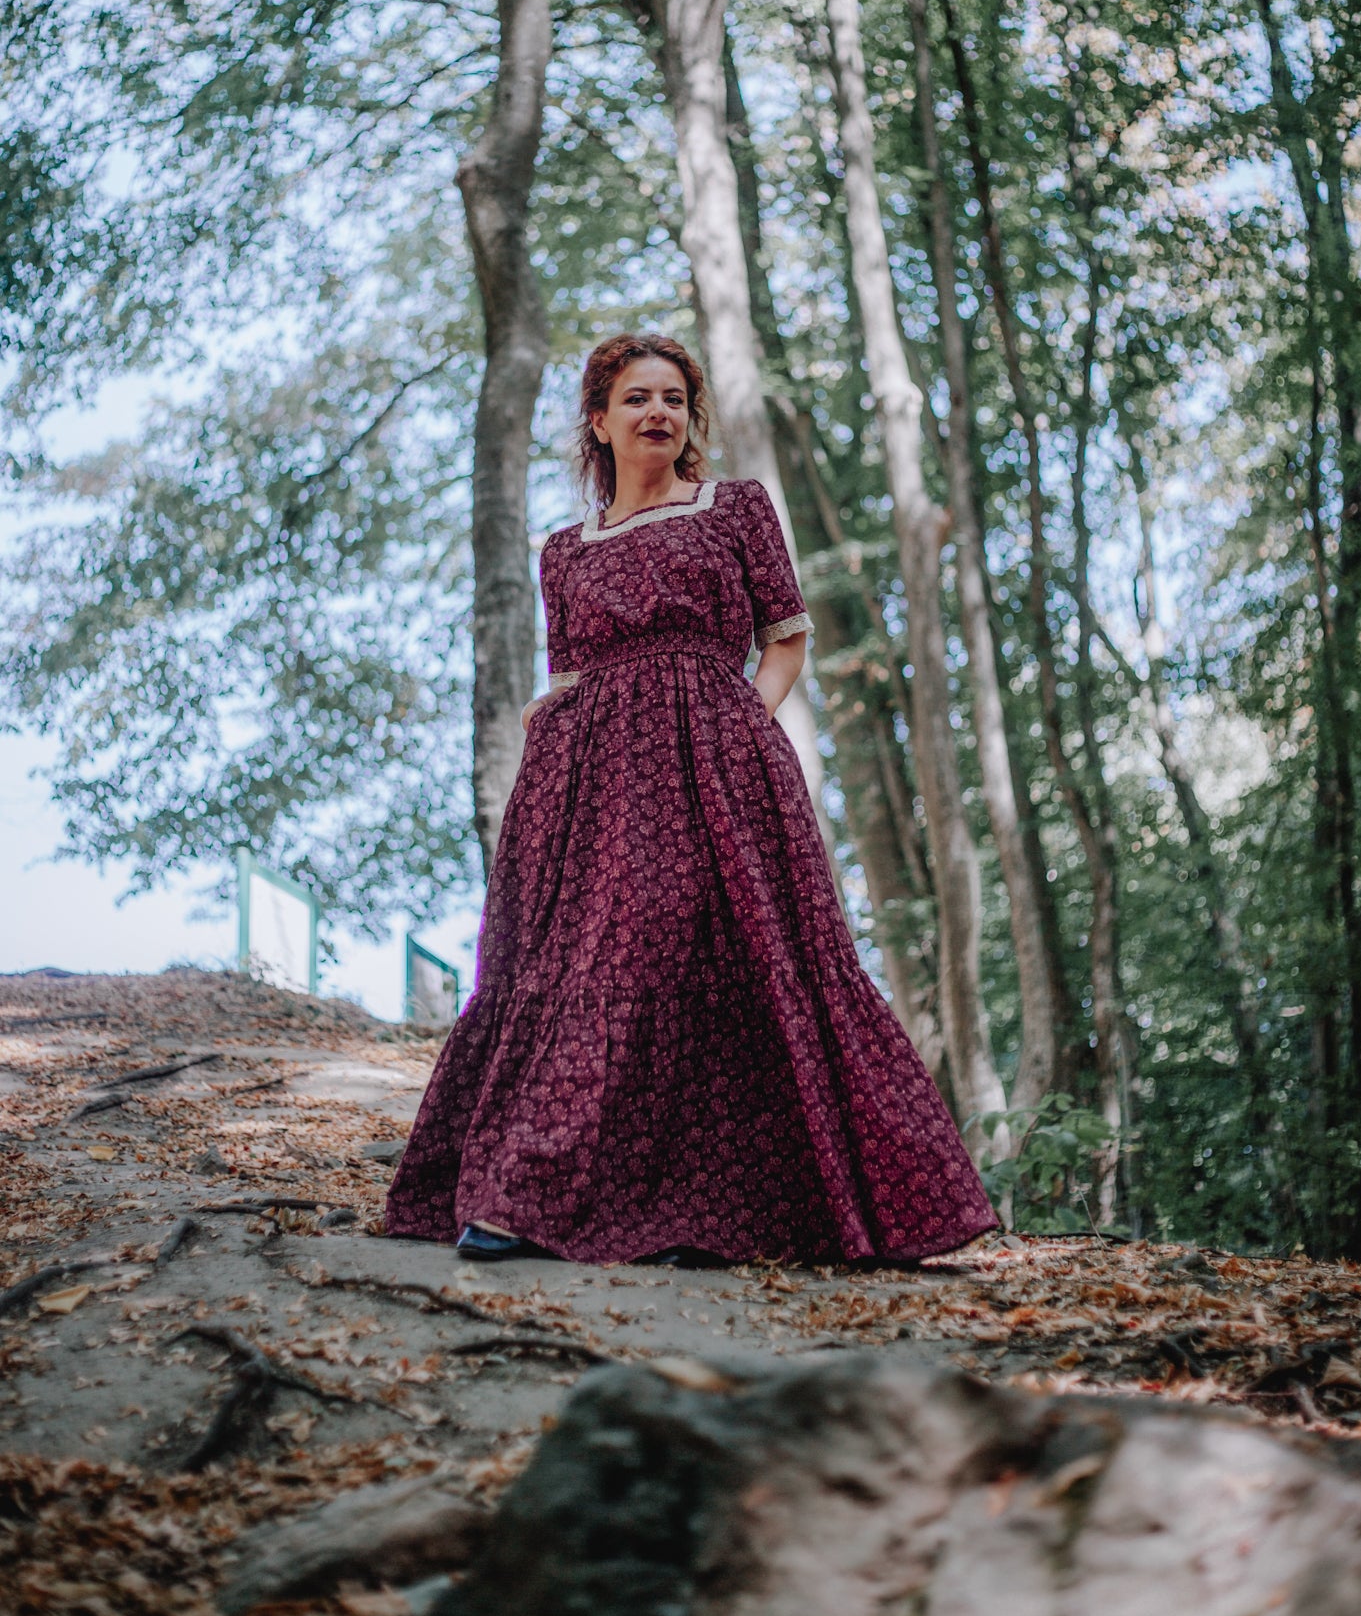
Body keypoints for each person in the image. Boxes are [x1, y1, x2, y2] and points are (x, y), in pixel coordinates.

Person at [385, 332, 994, 1265]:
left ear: (690, 418)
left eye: (672, 398)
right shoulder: (561, 552)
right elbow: (572, 667)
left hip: (717, 759)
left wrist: (736, 727)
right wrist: (547, 720)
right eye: (635, 398)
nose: (656, 413)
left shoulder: (734, 509)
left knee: (701, 949)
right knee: (595, 961)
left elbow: (785, 638)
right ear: (598, 420)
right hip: (591, 784)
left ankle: (715, 1212)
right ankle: (525, 1196)